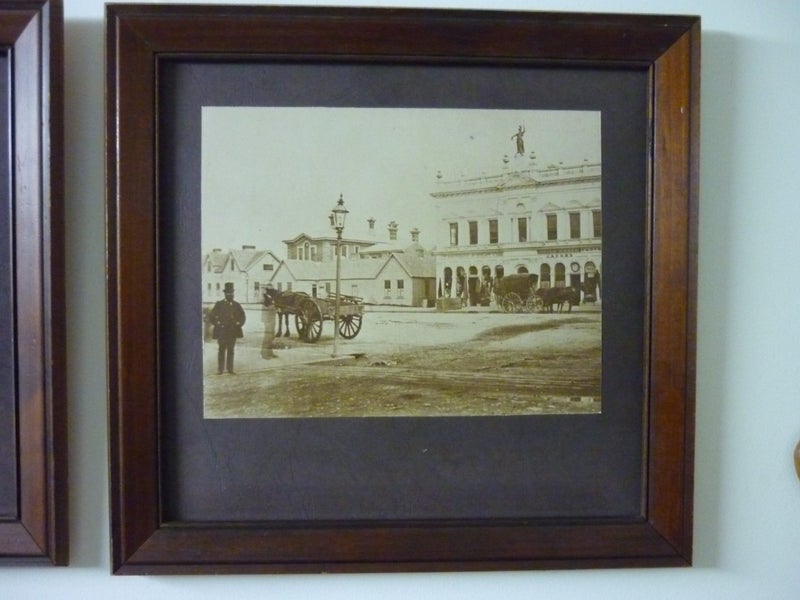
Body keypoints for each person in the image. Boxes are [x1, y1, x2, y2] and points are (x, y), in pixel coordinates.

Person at [209, 282, 246, 374]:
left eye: (232, 293)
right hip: (222, 331)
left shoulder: (237, 305)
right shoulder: (219, 304)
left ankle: (230, 369)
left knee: (231, 350)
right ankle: (220, 370)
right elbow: (212, 316)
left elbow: (242, 316)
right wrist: (217, 323)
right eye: (228, 293)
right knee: (221, 350)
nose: (230, 295)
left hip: (232, 331)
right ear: (225, 294)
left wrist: (239, 323)